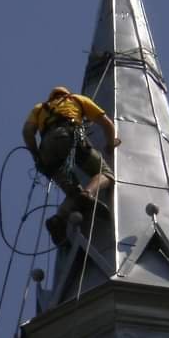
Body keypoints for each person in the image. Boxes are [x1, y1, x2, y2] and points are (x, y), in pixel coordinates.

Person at [22, 86, 121, 245]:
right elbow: (107, 124)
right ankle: (88, 194)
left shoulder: (40, 108)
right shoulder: (76, 99)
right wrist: (110, 144)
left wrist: (36, 156)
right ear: (66, 94)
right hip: (68, 137)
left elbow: (27, 132)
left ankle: (59, 218)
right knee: (105, 173)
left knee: (73, 192)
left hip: (46, 150)